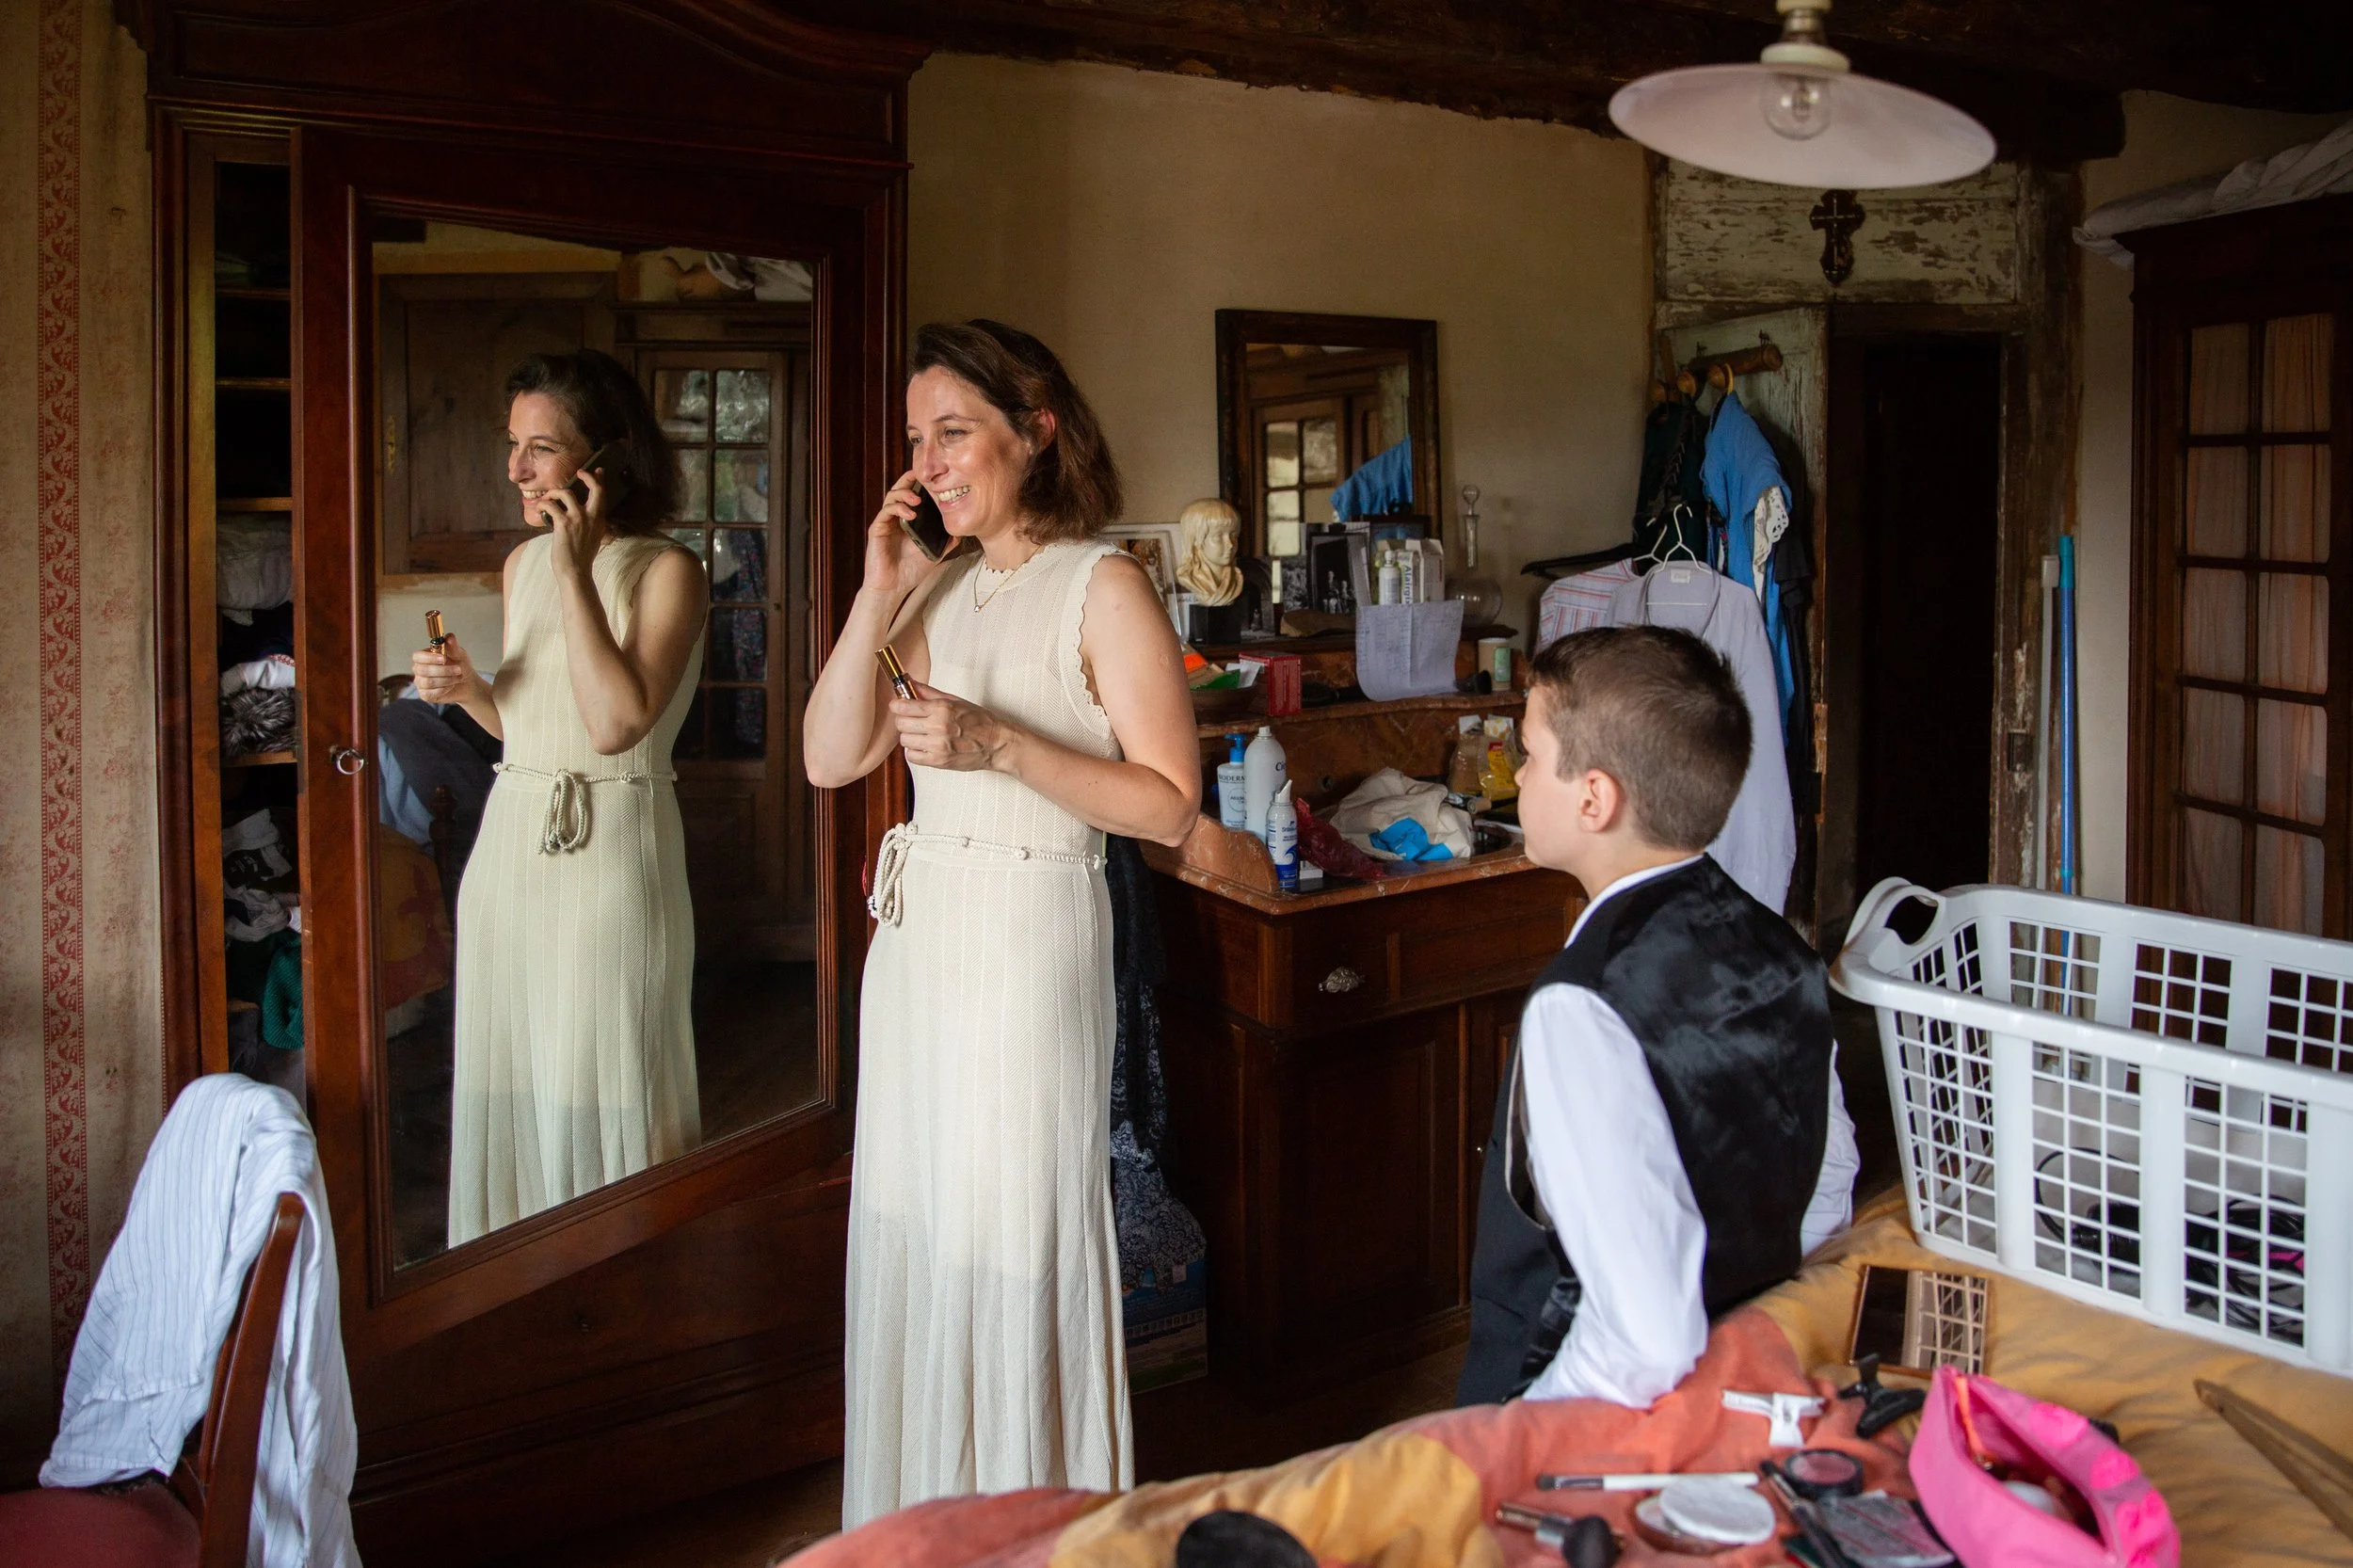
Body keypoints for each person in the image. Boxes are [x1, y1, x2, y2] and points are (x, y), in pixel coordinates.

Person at [803, 320, 1200, 1526]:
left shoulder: (1104, 585)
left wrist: (999, 744)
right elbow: (830, 755)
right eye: (914, 439)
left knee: (1012, 1224)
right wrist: (877, 592)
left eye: (953, 432)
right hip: (920, 943)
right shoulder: (938, 586)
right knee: (920, 1216)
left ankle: (1028, 1525)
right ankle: (920, 1518)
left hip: (1030, 937)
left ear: (1035, 431)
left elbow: (1169, 805)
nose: (926, 463)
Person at [1456, 625, 1858, 1408]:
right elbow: (1828, 1181)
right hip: (1729, 1378)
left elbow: (1641, 1340)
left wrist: (1519, 1426)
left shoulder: (1582, 1004)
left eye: (1530, 754)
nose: (1520, 776)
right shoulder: (1788, 953)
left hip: (1565, 1412)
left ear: (1594, 798)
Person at [411, 350, 710, 1248]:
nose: (516, 469)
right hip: (510, 853)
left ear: (607, 460)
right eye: (512, 445)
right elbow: (532, 730)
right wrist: (469, 691)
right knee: (517, 1077)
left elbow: (614, 724)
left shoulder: (667, 571)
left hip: (609, 856)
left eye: (541, 448)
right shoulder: (520, 566)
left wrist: (575, 571)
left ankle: (617, 1273)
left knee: (611, 1076)